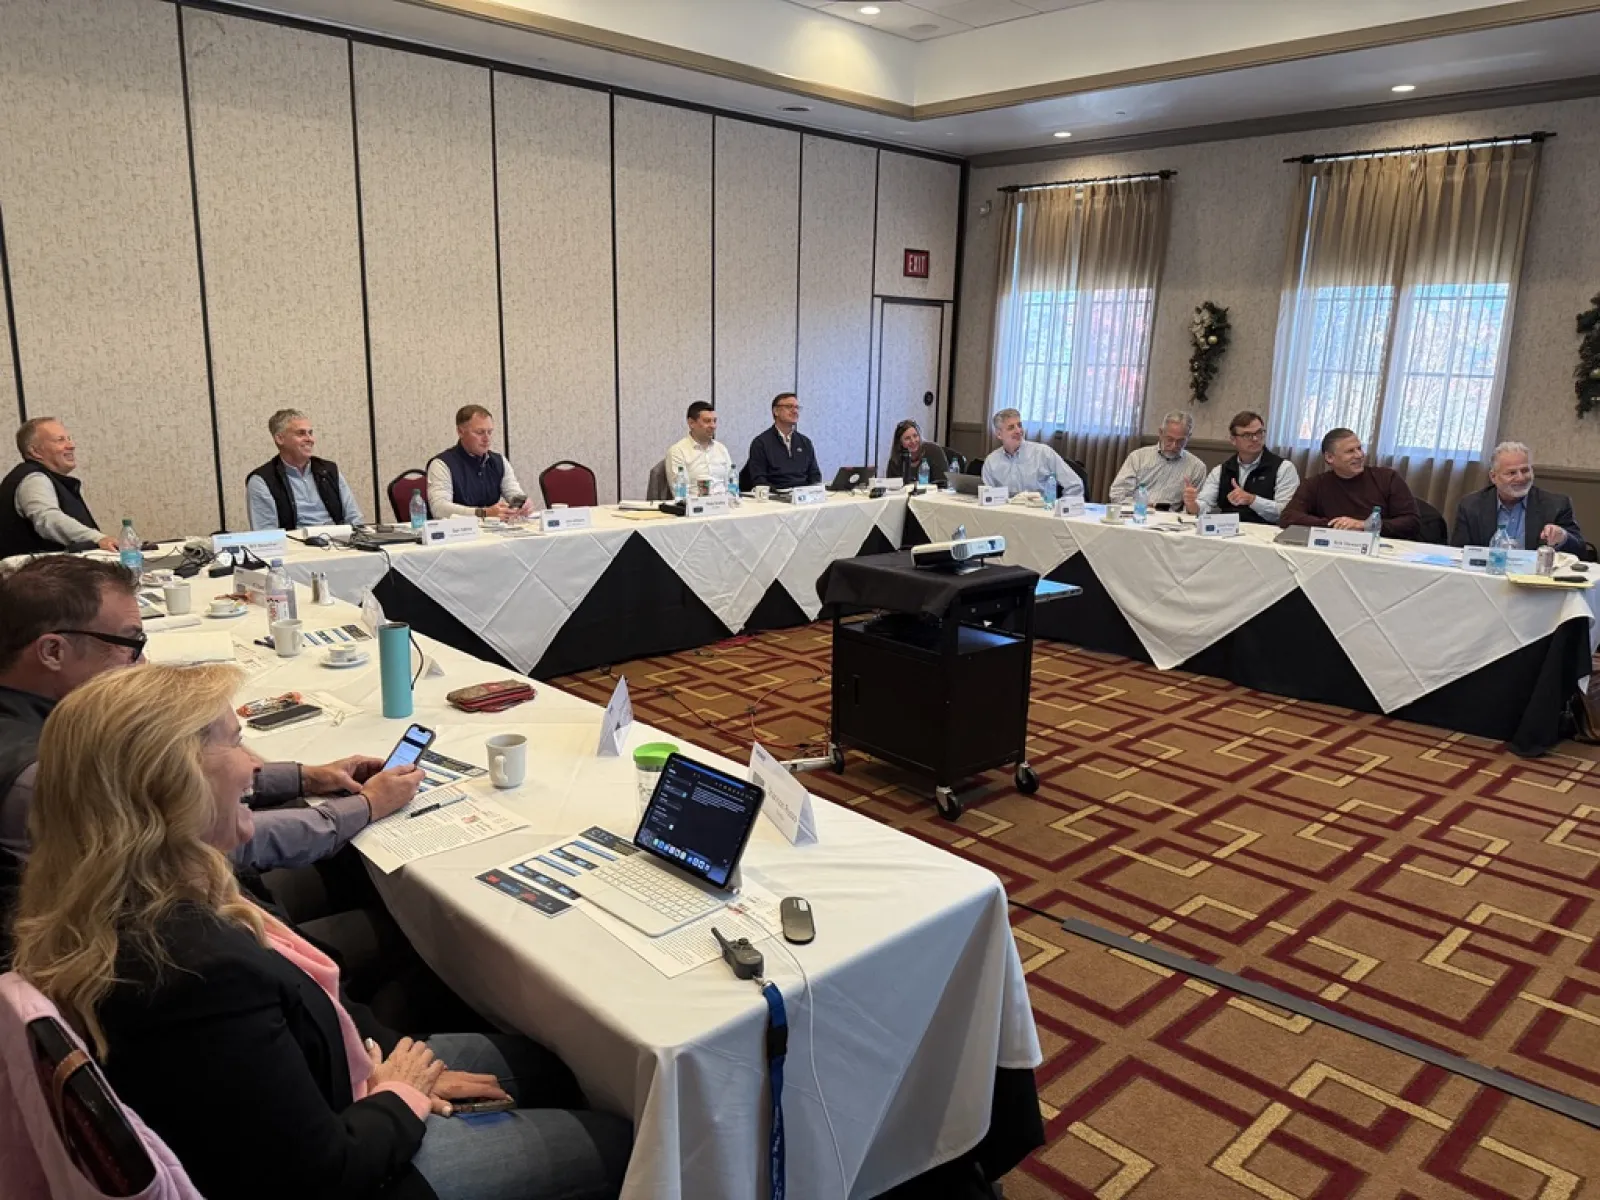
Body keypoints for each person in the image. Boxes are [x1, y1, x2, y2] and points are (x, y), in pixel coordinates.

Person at [9, 662, 632, 1200]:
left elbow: (303, 1027)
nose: (255, 767)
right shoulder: (192, 967)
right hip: (350, 1160)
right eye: (234, 743)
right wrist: (401, 1097)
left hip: (335, 1086)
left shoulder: (102, 898)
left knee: (546, 1066)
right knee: (621, 1140)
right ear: (171, 784)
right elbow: (321, 1175)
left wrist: (386, 1067)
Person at [0, 556, 422, 949]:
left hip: (187, 919)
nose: (142, 664)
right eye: (129, 643)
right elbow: (205, 839)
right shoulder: (44, 771)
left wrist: (307, 778)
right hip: (189, 934)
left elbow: (177, 780)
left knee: (350, 878)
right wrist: (364, 808)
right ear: (53, 651)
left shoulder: (45, 727)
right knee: (395, 928)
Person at [0, 417, 116, 557]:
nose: (71, 445)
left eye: (69, 439)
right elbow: (48, 519)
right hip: (36, 570)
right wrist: (98, 539)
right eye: (60, 440)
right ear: (35, 451)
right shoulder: (34, 479)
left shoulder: (41, 477)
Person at [1280, 428, 1421, 539]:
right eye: (1350, 451)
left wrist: (1364, 525)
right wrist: (1336, 525)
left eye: (1359, 448)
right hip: (1334, 548)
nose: (1359, 455)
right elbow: (1288, 517)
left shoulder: (1387, 478)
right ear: (1330, 457)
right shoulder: (1315, 484)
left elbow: (1412, 522)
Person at [1451, 440, 1587, 552]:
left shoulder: (1556, 504)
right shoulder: (1471, 506)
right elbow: (1458, 552)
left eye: (1525, 470)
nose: (1521, 478)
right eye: (1512, 473)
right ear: (1493, 477)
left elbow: (1581, 551)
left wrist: (1563, 537)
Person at [247, 408, 365, 530]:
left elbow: (354, 519)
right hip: (294, 541)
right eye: (301, 433)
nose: (310, 439)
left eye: (310, 433)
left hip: (338, 539)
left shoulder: (329, 470)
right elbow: (267, 535)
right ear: (280, 439)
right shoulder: (262, 481)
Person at [1183, 409, 1300, 523]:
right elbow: (1205, 505)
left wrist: (1252, 500)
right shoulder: (1221, 470)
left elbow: (1286, 512)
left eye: (1259, 433)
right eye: (1247, 435)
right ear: (1233, 440)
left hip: (1266, 532)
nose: (1255, 439)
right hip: (1227, 530)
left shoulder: (1284, 468)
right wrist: (1192, 504)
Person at [426, 405, 532, 521]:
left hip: (494, 529)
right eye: (480, 432)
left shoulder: (499, 461)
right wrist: (483, 513)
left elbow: (514, 492)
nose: (487, 439)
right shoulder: (442, 464)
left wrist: (523, 504)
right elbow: (439, 509)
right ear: (460, 432)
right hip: (458, 530)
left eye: (490, 432)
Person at [1107, 412, 1207, 511]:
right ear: (1160, 433)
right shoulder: (1138, 457)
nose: (1174, 445)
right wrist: (1140, 506)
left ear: (1189, 437)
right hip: (1136, 513)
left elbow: (1195, 511)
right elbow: (1117, 493)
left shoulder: (1197, 467)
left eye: (1181, 441)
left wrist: (1191, 504)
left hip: (1171, 518)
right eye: (1169, 439)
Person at [980, 408, 1084, 499]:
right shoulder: (991, 461)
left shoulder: (1043, 453)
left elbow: (1075, 485)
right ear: (999, 434)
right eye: (1011, 427)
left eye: (1019, 425)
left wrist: (1060, 509)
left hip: (1040, 512)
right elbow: (987, 496)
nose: (1018, 431)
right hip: (1004, 513)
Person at [746, 392, 821, 489]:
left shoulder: (805, 442)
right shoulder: (761, 443)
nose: (795, 411)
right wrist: (778, 494)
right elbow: (759, 479)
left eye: (797, 407)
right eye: (789, 407)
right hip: (776, 495)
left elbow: (815, 475)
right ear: (776, 411)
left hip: (803, 495)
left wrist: (813, 491)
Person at [665, 401, 733, 493]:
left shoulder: (721, 449)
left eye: (714, 421)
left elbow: (731, 484)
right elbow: (680, 493)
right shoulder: (678, 451)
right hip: (696, 501)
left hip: (724, 500)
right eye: (707, 421)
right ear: (691, 423)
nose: (713, 426)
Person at [885, 419, 950, 486]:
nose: (913, 441)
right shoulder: (895, 459)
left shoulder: (934, 451)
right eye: (907, 438)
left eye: (915, 436)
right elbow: (890, 485)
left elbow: (944, 482)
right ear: (900, 442)